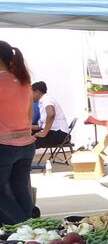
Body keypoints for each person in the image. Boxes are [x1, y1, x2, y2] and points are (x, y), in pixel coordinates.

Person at [0, 41, 36, 224]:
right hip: (26, 145)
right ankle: (33, 227)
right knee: (20, 189)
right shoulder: (24, 82)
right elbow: (29, 117)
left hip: (4, 145)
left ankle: (23, 225)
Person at [32, 81, 72, 150]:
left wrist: (44, 133)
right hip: (54, 132)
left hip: (60, 134)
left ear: (37, 92)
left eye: (31, 93)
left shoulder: (46, 99)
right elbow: (40, 126)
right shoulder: (41, 103)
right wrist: (24, 128)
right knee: (27, 138)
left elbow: (51, 114)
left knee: (31, 143)